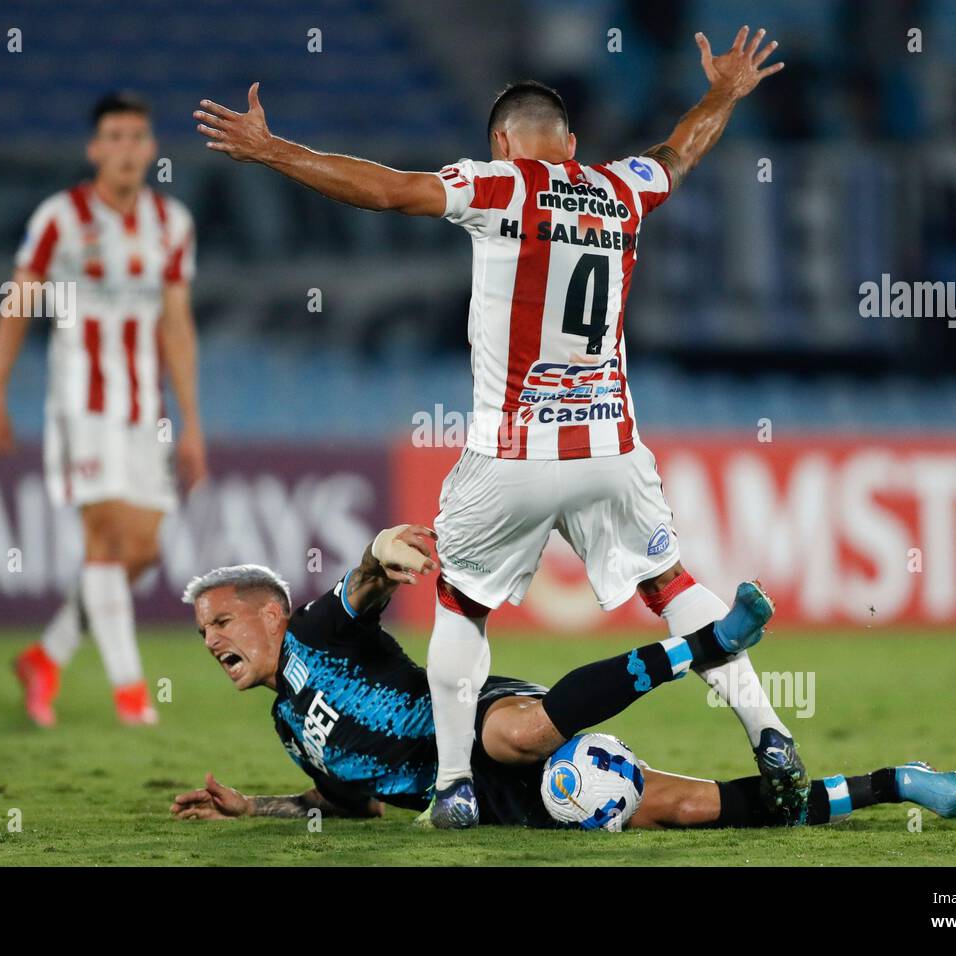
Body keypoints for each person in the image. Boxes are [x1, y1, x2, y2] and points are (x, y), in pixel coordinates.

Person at [193, 27, 805, 828]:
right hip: (611, 447)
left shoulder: (499, 187)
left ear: (501, 144)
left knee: (463, 606)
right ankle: (771, 731)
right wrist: (725, 92)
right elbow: (680, 150)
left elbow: (385, 189)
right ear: (573, 144)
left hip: (512, 453)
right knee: (671, 585)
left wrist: (273, 151)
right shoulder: (618, 189)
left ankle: (452, 784)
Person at [170, 523, 956, 830]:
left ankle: (709, 643)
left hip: (471, 723)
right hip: (488, 807)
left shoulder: (314, 629)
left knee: (514, 732)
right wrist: (256, 807)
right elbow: (356, 804)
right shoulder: (287, 729)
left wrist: (383, 551)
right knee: (689, 808)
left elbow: (368, 580)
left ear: (271, 613)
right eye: (205, 630)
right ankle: (893, 783)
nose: (211, 641)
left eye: (222, 621)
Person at [0, 92, 206, 726]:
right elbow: (18, 303)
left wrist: (192, 423)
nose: (127, 148)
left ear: (152, 149)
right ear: (95, 148)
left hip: (145, 408)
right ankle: (132, 697)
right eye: (115, 136)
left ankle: (46, 656)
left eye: (138, 136)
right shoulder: (62, 217)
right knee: (106, 541)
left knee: (145, 550)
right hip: (82, 403)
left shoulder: (173, 224)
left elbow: (178, 326)